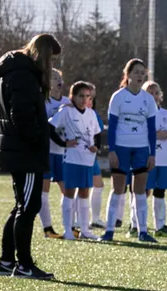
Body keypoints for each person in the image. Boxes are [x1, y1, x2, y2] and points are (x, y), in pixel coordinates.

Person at [0, 33, 62, 280]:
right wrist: (37, 141)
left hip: (17, 151)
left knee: (21, 206)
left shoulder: (17, 71)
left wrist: (50, 134)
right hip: (25, 153)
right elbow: (21, 116)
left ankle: (5, 261)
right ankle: (24, 265)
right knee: (29, 207)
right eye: (50, 59)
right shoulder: (24, 75)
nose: (51, 65)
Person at [99, 58, 158, 243]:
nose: (140, 75)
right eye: (136, 72)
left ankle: (142, 231)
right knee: (118, 189)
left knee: (140, 191)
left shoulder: (148, 99)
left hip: (141, 149)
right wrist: (112, 151)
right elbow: (113, 126)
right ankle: (109, 231)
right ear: (127, 75)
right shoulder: (118, 97)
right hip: (121, 148)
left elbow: (152, 129)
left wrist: (152, 154)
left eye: (143, 72)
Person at [50, 81, 101, 240]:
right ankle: (67, 230)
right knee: (69, 192)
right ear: (73, 97)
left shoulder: (91, 113)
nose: (84, 99)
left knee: (85, 192)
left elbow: (97, 133)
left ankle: (85, 230)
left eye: (87, 96)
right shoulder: (66, 112)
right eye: (80, 96)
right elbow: (49, 127)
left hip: (87, 159)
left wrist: (96, 147)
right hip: (72, 158)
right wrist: (63, 143)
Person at [142, 80, 167, 236]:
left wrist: (166, 134)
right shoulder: (141, 114)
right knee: (142, 191)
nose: (154, 96)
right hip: (145, 158)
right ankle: (137, 224)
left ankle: (160, 226)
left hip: (164, 160)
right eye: (150, 93)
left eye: (156, 93)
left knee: (160, 191)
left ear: (160, 96)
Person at [39, 68, 70, 238]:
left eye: (59, 77)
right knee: (44, 191)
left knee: (68, 189)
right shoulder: (43, 102)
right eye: (53, 78)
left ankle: (70, 226)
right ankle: (48, 228)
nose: (58, 80)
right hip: (46, 152)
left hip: (64, 153)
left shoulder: (68, 102)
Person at [87, 86, 107, 229]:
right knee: (80, 187)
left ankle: (95, 219)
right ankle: (76, 220)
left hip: (91, 156)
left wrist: (96, 147)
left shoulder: (94, 115)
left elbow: (97, 134)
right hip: (78, 156)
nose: (89, 100)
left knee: (98, 185)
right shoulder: (73, 113)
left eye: (91, 97)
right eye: (85, 96)